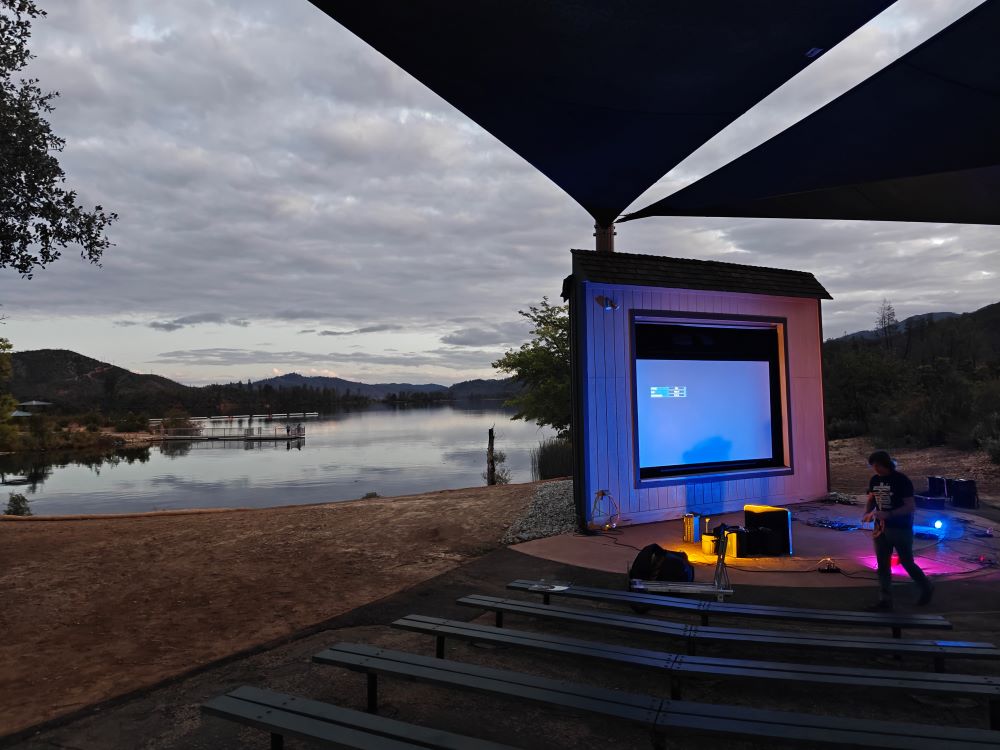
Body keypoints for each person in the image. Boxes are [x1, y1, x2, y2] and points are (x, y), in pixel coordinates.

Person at [862, 450, 933, 610]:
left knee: (907, 562)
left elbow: (910, 506)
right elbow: (872, 499)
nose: (875, 469)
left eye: (877, 465)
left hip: (900, 528)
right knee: (882, 565)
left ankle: (926, 586)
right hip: (880, 529)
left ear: (885, 464)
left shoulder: (901, 480)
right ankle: (885, 600)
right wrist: (867, 513)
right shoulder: (874, 480)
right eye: (873, 466)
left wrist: (889, 514)